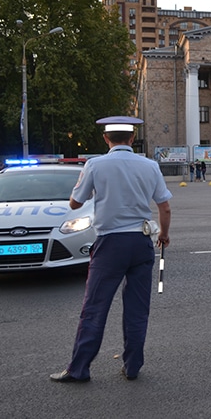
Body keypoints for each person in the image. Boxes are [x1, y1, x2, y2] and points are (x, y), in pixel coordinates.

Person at [50, 116, 172, 383]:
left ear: (106, 139)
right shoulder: (150, 166)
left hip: (110, 244)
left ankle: (79, 369)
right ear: (131, 139)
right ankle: (132, 367)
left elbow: (74, 203)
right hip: (141, 243)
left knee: (95, 307)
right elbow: (164, 207)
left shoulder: (95, 165)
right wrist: (163, 234)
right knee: (137, 309)